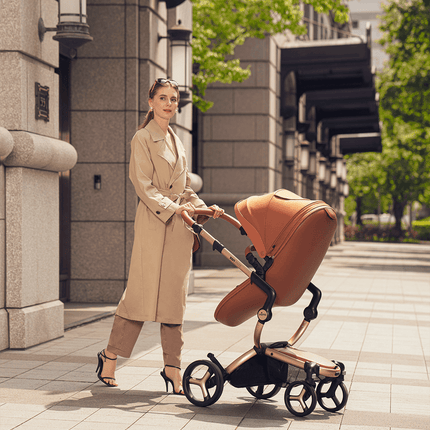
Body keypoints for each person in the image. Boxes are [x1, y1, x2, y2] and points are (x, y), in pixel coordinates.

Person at [95, 78, 224, 394]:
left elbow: (186, 189)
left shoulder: (177, 141)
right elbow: (143, 185)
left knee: (173, 300)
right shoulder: (142, 138)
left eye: (173, 99)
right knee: (140, 295)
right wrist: (174, 208)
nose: (169, 103)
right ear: (150, 102)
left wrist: (204, 209)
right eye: (163, 98)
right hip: (154, 225)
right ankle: (109, 357)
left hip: (179, 229)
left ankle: (172, 368)